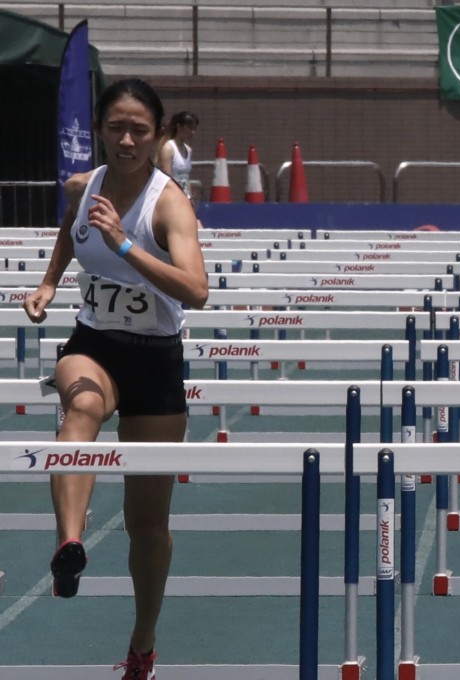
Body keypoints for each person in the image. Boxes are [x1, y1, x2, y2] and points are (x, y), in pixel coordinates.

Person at [22, 79, 208, 678]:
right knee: (81, 405)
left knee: (146, 523)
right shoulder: (83, 186)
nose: (126, 140)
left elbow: (196, 291)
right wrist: (50, 283)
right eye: (116, 128)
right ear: (100, 130)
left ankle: (143, 644)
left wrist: (125, 244)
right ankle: (69, 545)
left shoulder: (168, 203)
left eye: (140, 131)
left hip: (156, 358)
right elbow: (67, 236)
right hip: (94, 342)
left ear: (158, 138)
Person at [157, 110, 199, 200]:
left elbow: (186, 178)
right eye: (190, 128)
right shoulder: (168, 148)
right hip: (172, 198)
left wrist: (189, 197)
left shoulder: (188, 150)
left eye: (194, 129)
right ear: (179, 127)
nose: (193, 132)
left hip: (185, 197)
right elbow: (166, 179)